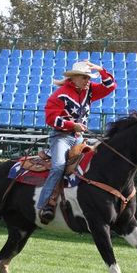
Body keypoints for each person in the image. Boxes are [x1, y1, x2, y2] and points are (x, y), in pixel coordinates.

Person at [35, 60, 117, 224]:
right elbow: (51, 119)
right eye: (85, 77)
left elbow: (110, 86)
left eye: (89, 78)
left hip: (79, 138)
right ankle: (44, 204)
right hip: (61, 137)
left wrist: (101, 70)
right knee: (58, 166)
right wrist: (73, 125)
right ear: (74, 78)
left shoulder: (90, 91)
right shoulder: (59, 95)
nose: (88, 81)